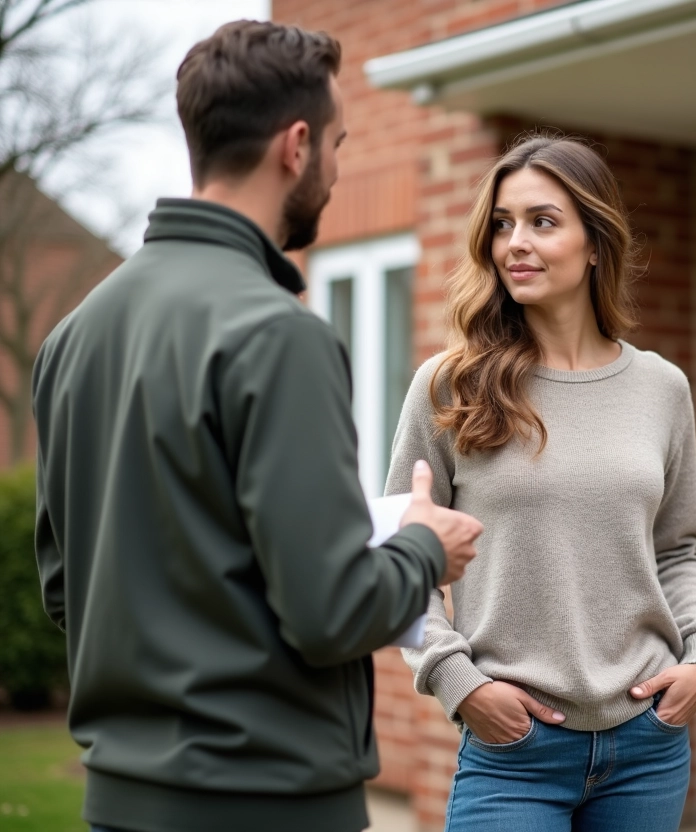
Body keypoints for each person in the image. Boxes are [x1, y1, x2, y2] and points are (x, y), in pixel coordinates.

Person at [32, 20, 482, 832]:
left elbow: (71, 592)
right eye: (339, 144)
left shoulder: (73, 335)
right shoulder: (280, 335)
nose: (339, 171)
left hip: (121, 804)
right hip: (269, 804)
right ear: (297, 144)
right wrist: (423, 547)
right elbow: (331, 610)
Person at [386, 135, 696, 832]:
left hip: (648, 745)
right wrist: (459, 682)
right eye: (503, 225)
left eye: (543, 222)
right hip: (513, 751)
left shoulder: (662, 388)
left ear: (595, 242)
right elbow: (396, 560)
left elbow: (680, 551)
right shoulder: (452, 386)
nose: (516, 242)